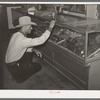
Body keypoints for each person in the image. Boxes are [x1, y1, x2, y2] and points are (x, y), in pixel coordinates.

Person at [5, 15, 56, 83]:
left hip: (9, 63)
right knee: (38, 67)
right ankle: (18, 76)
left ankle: (21, 69)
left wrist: (33, 50)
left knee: (29, 53)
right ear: (25, 27)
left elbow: (21, 47)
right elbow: (41, 40)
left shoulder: (16, 34)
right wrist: (50, 27)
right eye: (30, 26)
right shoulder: (22, 40)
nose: (31, 28)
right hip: (14, 66)